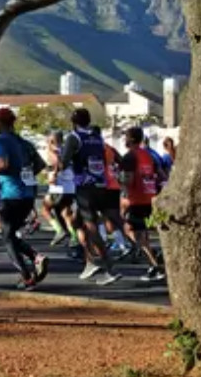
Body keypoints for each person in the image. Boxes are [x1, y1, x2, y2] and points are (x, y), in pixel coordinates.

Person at [0, 108, 48, 290]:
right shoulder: (23, 142)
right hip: (27, 195)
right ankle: (36, 258)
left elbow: (1, 165)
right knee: (10, 234)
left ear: (0, 123)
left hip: (11, 194)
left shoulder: (1, 140)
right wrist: (25, 176)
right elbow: (40, 164)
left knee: (7, 237)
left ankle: (27, 275)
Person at [60, 108, 121, 285]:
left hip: (85, 187)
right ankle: (91, 261)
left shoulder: (74, 137)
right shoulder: (97, 137)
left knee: (91, 226)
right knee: (76, 223)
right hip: (101, 184)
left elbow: (63, 162)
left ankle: (109, 267)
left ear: (73, 122)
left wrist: (60, 166)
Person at [118, 127, 166, 282]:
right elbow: (161, 175)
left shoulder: (129, 157)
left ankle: (156, 265)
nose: (124, 140)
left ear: (130, 140)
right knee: (141, 230)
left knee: (133, 231)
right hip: (150, 198)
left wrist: (118, 183)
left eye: (125, 137)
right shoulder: (148, 155)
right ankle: (154, 258)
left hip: (136, 199)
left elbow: (128, 180)